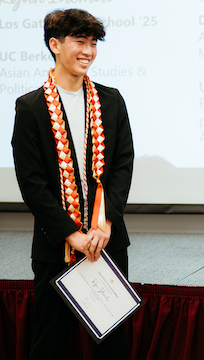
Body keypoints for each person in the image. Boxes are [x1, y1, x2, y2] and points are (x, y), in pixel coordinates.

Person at [11, 9, 134, 360]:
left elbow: (123, 165)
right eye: (80, 41)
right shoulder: (31, 107)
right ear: (55, 44)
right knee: (50, 340)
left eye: (93, 43)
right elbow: (32, 183)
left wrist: (104, 223)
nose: (88, 51)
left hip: (106, 241)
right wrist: (71, 233)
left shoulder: (111, 100)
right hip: (56, 245)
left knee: (112, 341)